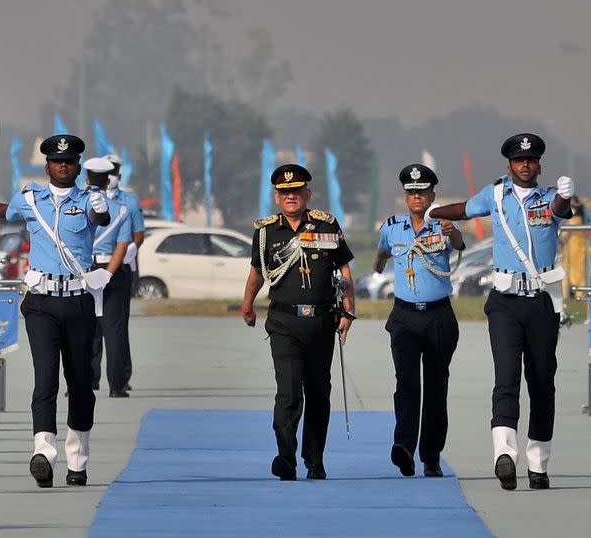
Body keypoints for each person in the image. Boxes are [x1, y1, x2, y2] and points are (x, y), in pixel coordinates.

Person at [427, 133, 573, 491]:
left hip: (541, 302)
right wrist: (431, 211)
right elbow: (464, 209)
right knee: (506, 378)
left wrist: (567, 197)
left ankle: (538, 463)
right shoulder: (495, 195)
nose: (525, 165)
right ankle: (504, 456)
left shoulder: (551, 197)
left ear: (539, 164)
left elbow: (561, 212)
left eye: (531, 159)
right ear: (509, 165)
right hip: (505, 302)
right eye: (519, 160)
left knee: (541, 382)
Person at [0, 134, 112, 488]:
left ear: (78, 167)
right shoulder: (31, 198)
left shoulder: (89, 199)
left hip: (78, 301)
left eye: (69, 161)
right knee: (45, 378)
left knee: (80, 383)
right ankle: (43, 452)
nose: (63, 166)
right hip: (42, 303)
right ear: (47, 166)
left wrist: (100, 204)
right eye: (56, 161)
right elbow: (10, 211)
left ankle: (77, 459)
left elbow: (102, 218)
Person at [241, 164, 355, 481]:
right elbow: (257, 273)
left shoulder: (327, 225)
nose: (291, 197)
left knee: (319, 393)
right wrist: (247, 305)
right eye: (284, 192)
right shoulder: (265, 232)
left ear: (308, 194)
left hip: (321, 322)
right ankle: (286, 457)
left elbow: (345, 273)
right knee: (289, 392)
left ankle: (314, 460)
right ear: (277, 197)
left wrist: (348, 312)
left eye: (296, 191)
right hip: (283, 322)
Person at [373, 164, 465, 478]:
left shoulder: (443, 225)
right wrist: (378, 263)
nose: (416, 197)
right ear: (405, 196)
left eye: (422, 191)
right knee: (407, 384)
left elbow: (459, 245)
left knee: (436, 388)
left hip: (438, 316)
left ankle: (431, 455)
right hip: (404, 317)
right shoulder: (392, 227)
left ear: (432, 195)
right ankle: (404, 448)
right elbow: (382, 253)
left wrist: (453, 233)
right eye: (411, 192)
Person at [84, 157, 133, 398]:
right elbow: (122, 246)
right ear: (107, 180)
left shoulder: (77, 202)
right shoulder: (121, 209)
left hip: (82, 270)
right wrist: (108, 274)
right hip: (108, 269)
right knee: (113, 330)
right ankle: (116, 386)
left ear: (86, 179)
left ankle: (82, 383)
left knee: (83, 330)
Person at [95, 153, 144, 392]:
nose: (112, 176)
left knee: (115, 327)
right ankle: (94, 379)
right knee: (95, 328)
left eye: (115, 171)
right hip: (106, 267)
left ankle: (118, 379)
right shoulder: (115, 207)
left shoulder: (128, 201)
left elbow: (135, 238)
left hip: (115, 266)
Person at [561, 195, 587, 300]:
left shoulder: (573, 220)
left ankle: (569, 295)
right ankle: (578, 295)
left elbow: (564, 235)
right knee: (579, 274)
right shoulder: (582, 219)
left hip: (572, 250)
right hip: (578, 249)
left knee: (570, 273)